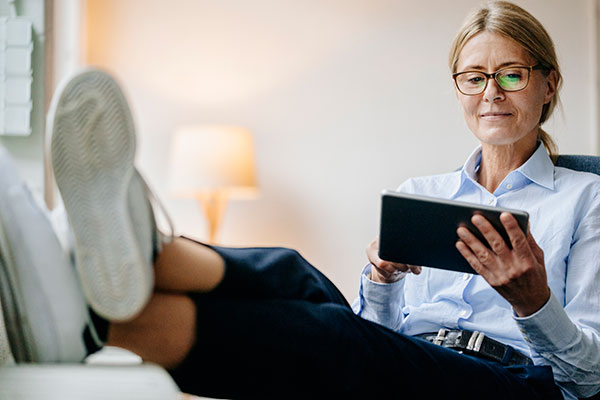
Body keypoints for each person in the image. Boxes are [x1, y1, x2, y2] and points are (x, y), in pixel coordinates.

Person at [2, 1, 599, 399]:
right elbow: (377, 333)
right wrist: (384, 282)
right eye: (474, 77)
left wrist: (534, 302)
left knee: (330, 337)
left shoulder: (586, 199)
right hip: (414, 361)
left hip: (517, 382)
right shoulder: (425, 196)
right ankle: (140, 268)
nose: (490, 92)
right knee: (296, 273)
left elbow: (589, 378)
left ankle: (95, 318)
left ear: (547, 85)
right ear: (459, 89)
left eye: (512, 75)